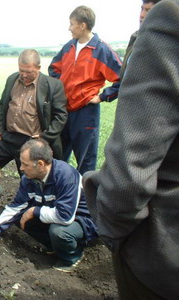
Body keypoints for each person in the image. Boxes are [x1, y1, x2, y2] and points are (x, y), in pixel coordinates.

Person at [83, 1, 179, 298]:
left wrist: (112, 230)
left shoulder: (171, 17)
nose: (142, 12)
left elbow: (131, 168)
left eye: (148, 5)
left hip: (162, 248)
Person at [0, 138, 97, 272]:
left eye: (25, 164)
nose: (21, 168)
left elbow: (65, 216)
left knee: (59, 232)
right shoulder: (28, 179)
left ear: (40, 164)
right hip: (57, 214)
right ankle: (54, 246)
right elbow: (15, 207)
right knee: (20, 216)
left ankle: (72, 256)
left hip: (83, 220)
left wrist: (35, 211)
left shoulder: (65, 176)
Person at [48, 6, 121, 175]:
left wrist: (102, 96)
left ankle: (84, 199)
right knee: (58, 155)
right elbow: (54, 68)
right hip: (63, 110)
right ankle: (58, 194)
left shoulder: (101, 50)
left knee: (85, 160)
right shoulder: (68, 47)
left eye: (71, 24)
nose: (69, 28)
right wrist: (60, 90)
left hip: (86, 112)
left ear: (82, 25)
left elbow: (122, 78)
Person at [0, 49, 67, 174]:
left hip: (31, 141)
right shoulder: (12, 79)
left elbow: (61, 116)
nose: (24, 75)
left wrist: (44, 137)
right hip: (8, 137)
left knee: (29, 179)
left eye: (28, 71)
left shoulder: (53, 85)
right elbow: (2, 105)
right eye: (21, 70)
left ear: (38, 68)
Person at [120, 0, 161, 78]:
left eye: (148, 11)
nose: (141, 15)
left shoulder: (167, 44)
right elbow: (123, 80)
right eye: (142, 9)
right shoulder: (135, 38)